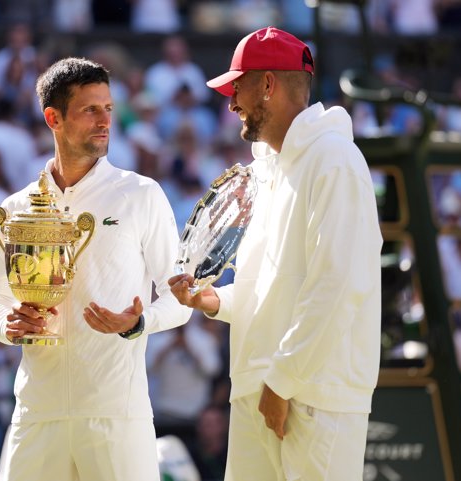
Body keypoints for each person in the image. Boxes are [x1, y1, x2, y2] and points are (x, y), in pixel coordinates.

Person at [169, 27, 382, 481]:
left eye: (237, 87)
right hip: (258, 389)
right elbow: (266, 285)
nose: (231, 103)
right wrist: (216, 301)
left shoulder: (335, 160)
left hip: (312, 395)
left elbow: (337, 283)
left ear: (267, 84)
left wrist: (282, 381)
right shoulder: (266, 171)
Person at [0, 56, 192, 481]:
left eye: (108, 109)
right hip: (37, 413)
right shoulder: (16, 209)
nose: (105, 121)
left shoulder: (141, 194)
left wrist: (139, 322)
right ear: (53, 118)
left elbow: (180, 299)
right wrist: (11, 324)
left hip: (115, 414)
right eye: (90, 110)